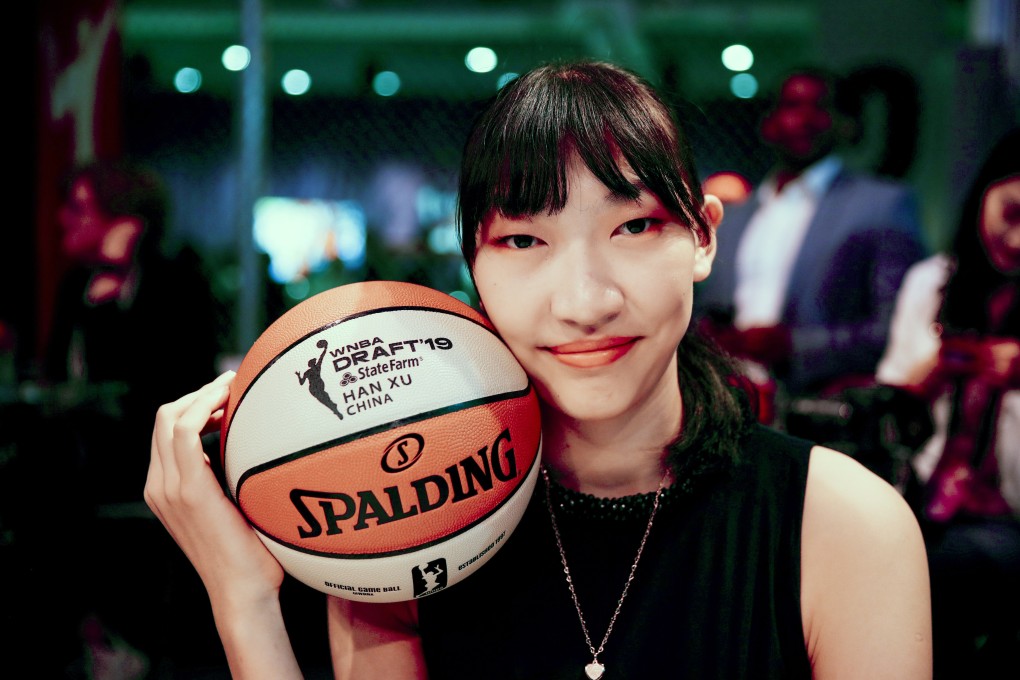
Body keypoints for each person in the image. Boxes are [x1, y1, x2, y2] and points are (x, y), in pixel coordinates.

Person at [144, 60, 931, 678]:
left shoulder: (844, 526)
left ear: (702, 238)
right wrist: (244, 606)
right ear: (473, 271)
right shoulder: (399, 527)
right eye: (523, 240)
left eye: (635, 225)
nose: (586, 302)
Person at [30, 158, 222, 677]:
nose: (63, 221)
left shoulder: (174, 282)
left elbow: (166, 390)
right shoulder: (76, 285)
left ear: (124, 219)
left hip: (141, 474)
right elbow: (58, 375)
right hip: (77, 471)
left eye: (79, 209)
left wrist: (113, 312)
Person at [694, 66, 926, 410]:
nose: (803, 119)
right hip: (727, 401)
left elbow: (899, 327)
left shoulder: (882, 205)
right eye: (791, 106)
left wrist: (792, 346)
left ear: (844, 123)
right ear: (769, 123)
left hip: (823, 409)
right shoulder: (737, 214)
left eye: (819, 107)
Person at [876, 127, 1020, 677]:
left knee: (926, 579)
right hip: (924, 495)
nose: (1016, 237)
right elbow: (891, 400)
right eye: (1010, 211)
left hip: (1001, 514)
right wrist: (926, 379)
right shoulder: (932, 283)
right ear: (983, 192)